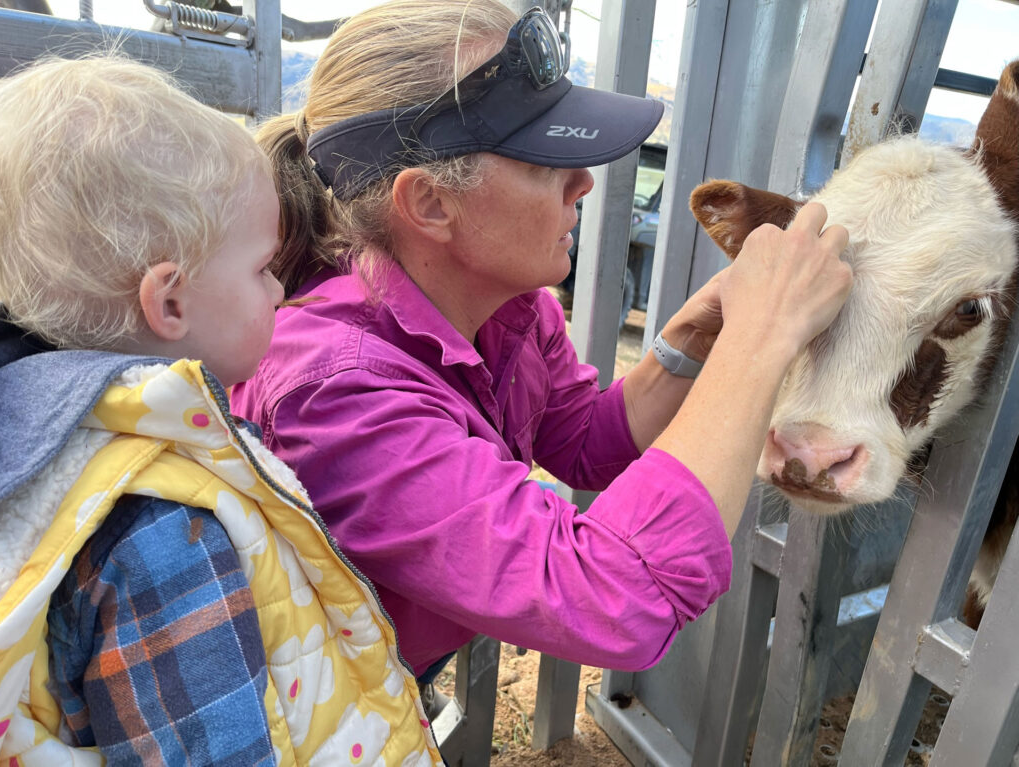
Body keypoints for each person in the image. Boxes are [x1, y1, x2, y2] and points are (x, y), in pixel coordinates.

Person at [233, 0, 852, 712]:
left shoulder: (508, 305)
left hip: (396, 653)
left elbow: (587, 442)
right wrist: (761, 339)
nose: (582, 179)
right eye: (543, 157)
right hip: (309, 705)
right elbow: (620, 597)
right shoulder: (335, 393)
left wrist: (696, 338)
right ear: (430, 203)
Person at [0, 57, 441, 766]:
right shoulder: (162, 528)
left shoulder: (32, 433)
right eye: (263, 266)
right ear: (169, 302)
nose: (277, 290)